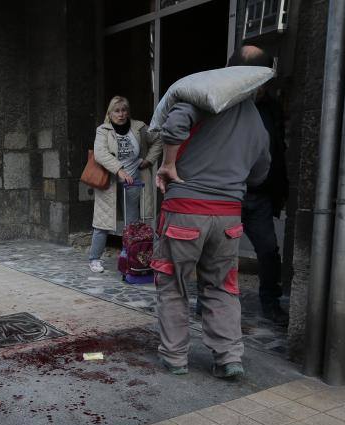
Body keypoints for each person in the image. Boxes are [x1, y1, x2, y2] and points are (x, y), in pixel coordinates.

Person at [153, 53, 271, 379]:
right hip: (229, 217)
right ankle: (229, 358)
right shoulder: (258, 124)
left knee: (174, 284)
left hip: (185, 211)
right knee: (222, 286)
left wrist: (168, 164)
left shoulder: (205, 95)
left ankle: (175, 359)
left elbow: (175, 124)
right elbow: (261, 174)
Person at [226, 46, 289, 325]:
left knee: (267, 250)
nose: (260, 87)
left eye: (264, 82)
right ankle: (209, 301)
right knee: (218, 251)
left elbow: (277, 150)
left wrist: (279, 189)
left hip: (260, 195)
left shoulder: (271, 108)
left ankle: (270, 302)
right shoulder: (223, 105)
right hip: (229, 192)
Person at [89, 96, 162, 273]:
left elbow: (159, 140)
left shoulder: (139, 127)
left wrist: (148, 161)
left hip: (134, 180)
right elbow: (100, 153)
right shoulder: (103, 130)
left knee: (132, 222)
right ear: (110, 113)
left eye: (124, 110)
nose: (121, 114)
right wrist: (119, 169)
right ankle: (94, 258)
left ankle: (129, 254)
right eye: (117, 111)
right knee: (103, 221)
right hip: (110, 182)